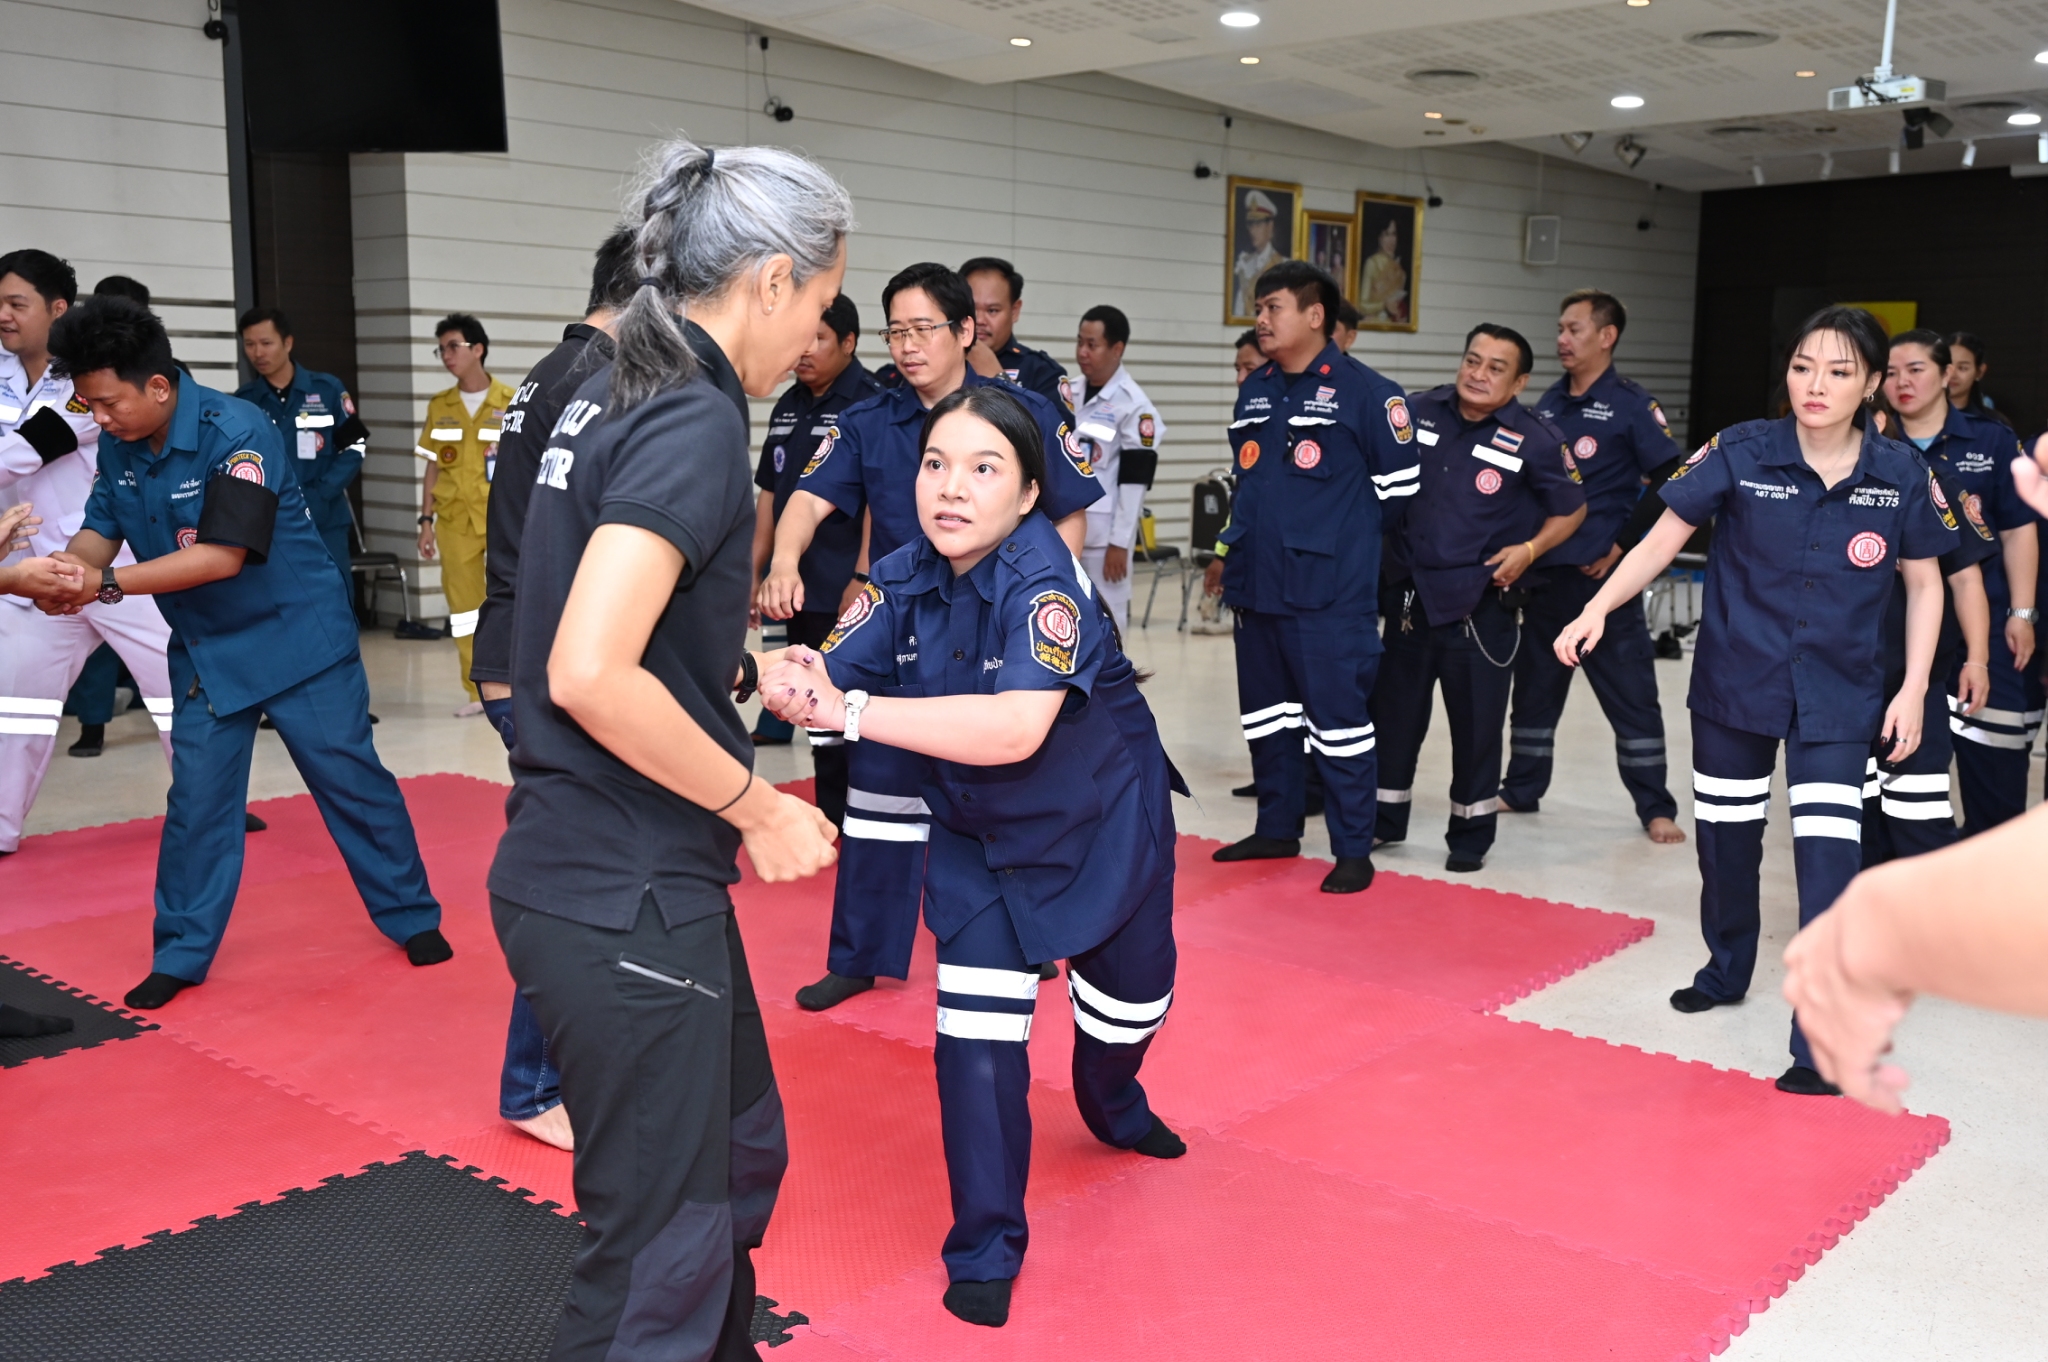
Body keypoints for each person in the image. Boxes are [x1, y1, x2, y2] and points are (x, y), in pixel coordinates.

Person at [487, 135, 846, 1362]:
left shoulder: (616, 379)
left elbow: (603, 604)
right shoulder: (689, 409)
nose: (814, 333)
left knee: (734, 1163)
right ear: (770, 279)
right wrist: (759, 803)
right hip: (619, 883)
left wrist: (733, 671)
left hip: (621, 875)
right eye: (819, 300)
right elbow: (588, 670)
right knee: (660, 1250)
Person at [759, 383, 1186, 1329]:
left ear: (1030, 494)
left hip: (1101, 827)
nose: (951, 487)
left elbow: (1013, 729)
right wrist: (761, 672)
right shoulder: (901, 575)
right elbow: (823, 666)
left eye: (984, 468)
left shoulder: (1047, 586)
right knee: (976, 1048)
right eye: (935, 464)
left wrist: (849, 711)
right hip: (978, 836)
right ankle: (987, 1242)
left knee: (1127, 1014)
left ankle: (1114, 1103)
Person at [1554, 305, 1954, 1096]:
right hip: (1735, 684)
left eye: (1839, 371)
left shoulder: (1901, 472)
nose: (1816, 385)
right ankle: (1727, 966)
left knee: (1830, 862)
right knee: (1727, 846)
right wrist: (1597, 608)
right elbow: (1663, 538)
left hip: (1841, 697)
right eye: (1803, 367)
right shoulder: (1740, 450)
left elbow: (1924, 584)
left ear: (1872, 384)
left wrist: (1912, 689)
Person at [15, 295, 448, 1010]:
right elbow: (99, 531)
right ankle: (182, 950)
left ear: (159, 386)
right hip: (207, 649)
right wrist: (64, 574)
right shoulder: (120, 446)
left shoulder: (237, 430)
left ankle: (411, 914)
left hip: (297, 639)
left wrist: (105, 585)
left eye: (108, 403)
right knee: (197, 803)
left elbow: (223, 555)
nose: (100, 419)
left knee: (350, 782)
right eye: (89, 405)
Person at [758, 262, 1100, 1011]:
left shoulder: (1024, 412)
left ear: (966, 330)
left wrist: (1043, 595)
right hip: (902, 636)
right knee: (877, 804)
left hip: (995, 638)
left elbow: (1069, 510)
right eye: (897, 332)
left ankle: (1024, 934)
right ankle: (861, 955)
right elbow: (807, 498)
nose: (909, 346)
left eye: (925, 329)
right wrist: (784, 560)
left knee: (1003, 800)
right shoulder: (869, 419)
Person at [468, 223, 640, 1154]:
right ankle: (534, 1086)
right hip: (545, 659)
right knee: (578, 876)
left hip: (527, 648)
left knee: (593, 866)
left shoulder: (552, 370)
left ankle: (567, 1065)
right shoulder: (599, 381)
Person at [1203, 261, 1419, 893]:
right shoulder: (1257, 387)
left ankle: (1353, 849)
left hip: (1328, 596)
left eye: (1272, 308)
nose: (1260, 320)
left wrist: (1336, 541)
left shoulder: (1370, 395)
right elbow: (1249, 483)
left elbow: (1398, 495)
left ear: (1315, 315)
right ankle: (1277, 827)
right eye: (1258, 309)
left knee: (1339, 724)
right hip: (1257, 585)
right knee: (1268, 718)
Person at [1371, 324, 1586, 872]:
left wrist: (1531, 550)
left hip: (1479, 605)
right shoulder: (1418, 410)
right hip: (1408, 595)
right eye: (1473, 360)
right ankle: (1383, 820)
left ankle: (1470, 836)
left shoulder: (1537, 437)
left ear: (1520, 382)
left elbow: (1573, 509)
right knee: (1393, 719)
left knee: (1476, 728)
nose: (1479, 374)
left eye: (1496, 367)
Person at [0, 249, 177, 856]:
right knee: (16, 708)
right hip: (33, 575)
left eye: (16, 303)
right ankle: (2, 827)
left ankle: (211, 811)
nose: (3, 315)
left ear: (57, 309)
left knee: (177, 694)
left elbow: (31, 448)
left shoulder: (89, 381)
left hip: (116, 564)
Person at [1502, 289, 1684, 843]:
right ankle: (1521, 788)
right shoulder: (1548, 402)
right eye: (1560, 328)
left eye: (1574, 329)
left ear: (1607, 336)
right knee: (1534, 692)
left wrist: (1624, 545)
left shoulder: (1631, 405)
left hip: (1603, 584)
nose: (1562, 339)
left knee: (1631, 696)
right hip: (1547, 577)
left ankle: (1655, 806)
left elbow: (1672, 478)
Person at [1880, 330, 2039, 835]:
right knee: (1901, 773)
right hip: (1898, 632)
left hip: (1982, 621)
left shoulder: (1992, 439)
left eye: (1916, 370)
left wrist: (2022, 613)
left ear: (1947, 374)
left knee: (1994, 753)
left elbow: (2018, 531)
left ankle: (1992, 865)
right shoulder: (1874, 443)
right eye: (1890, 373)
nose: (1902, 383)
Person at [749, 291, 878, 802]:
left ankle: (860, 811)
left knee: (851, 705)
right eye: (802, 338)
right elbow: (770, 494)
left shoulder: (869, 403)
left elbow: (877, 501)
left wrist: (862, 576)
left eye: (819, 339)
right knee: (809, 707)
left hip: (845, 584)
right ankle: (830, 812)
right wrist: (755, 571)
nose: (805, 350)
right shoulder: (788, 403)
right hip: (796, 583)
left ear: (848, 342)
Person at [1862, 383, 1996, 865]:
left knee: (1918, 816)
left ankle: (1931, 912)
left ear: (1878, 421)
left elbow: (1966, 580)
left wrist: (1977, 659)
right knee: (1854, 824)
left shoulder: (1929, 482)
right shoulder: (1822, 488)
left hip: (1913, 682)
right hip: (1840, 682)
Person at [415, 313, 515, 717]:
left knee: (513, 600)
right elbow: (432, 467)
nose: (446, 355)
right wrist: (425, 522)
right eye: (441, 349)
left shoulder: (510, 400)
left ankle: (518, 680)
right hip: (455, 520)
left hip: (502, 517)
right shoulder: (440, 406)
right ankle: (476, 690)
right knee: (465, 610)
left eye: (453, 347)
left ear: (478, 349)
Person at [233, 308, 367, 580]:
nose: (258, 353)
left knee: (333, 593)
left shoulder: (327, 389)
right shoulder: (245, 401)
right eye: (249, 344)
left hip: (324, 520)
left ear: (288, 343)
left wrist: (321, 493)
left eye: (266, 343)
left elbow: (355, 446)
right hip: (270, 524)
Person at [1071, 303, 1164, 630]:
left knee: (1108, 624)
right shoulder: (1068, 392)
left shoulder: (1134, 405)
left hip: (1103, 538)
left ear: (1117, 349)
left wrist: (1120, 543)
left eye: (1092, 344)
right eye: (1079, 342)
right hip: (1065, 529)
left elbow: (1135, 481)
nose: (1082, 352)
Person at [959, 257, 1071, 412]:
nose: (979, 320)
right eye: (971, 309)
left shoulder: (1041, 372)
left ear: (1014, 311)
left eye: (992, 310)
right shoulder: (939, 361)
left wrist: (998, 379)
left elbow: (1058, 426)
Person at [1231, 192, 1283, 321]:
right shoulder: (1244, 263)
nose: (1253, 231)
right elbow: (1239, 309)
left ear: (1270, 226)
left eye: (1258, 225)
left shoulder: (1281, 264)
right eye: (1251, 225)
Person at [1944, 331, 2005, 424]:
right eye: (1947, 366)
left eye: (1962, 368)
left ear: (1980, 372)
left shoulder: (1994, 424)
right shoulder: (1920, 416)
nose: (1952, 375)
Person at [1358, 218, 1408, 327]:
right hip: (1373, 326)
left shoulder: (1400, 270)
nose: (1391, 240)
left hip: (1395, 329)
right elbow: (1362, 306)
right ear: (1379, 238)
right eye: (1386, 234)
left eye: (1393, 234)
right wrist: (1384, 305)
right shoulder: (1372, 263)